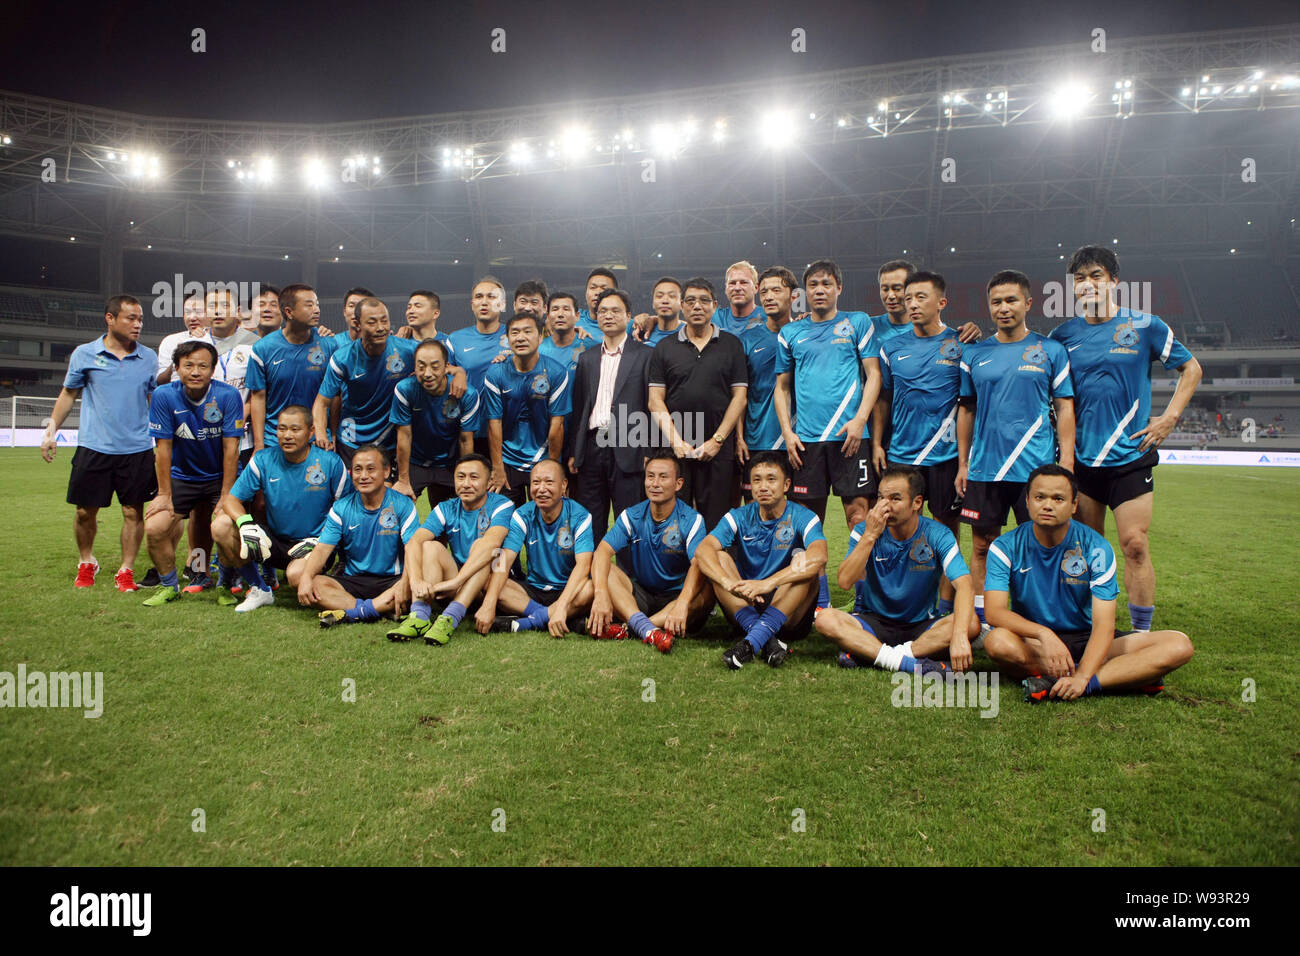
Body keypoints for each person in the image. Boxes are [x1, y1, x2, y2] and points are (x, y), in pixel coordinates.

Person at [1050, 245, 1203, 631]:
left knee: (1135, 544)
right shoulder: (1062, 335)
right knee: (1085, 551)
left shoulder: (1146, 325)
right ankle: (1087, 627)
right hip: (1082, 459)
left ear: (1114, 281)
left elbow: (1192, 369)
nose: (1088, 284)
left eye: (1096, 275)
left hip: (1131, 455)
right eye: (1080, 279)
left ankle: (1140, 634)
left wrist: (1170, 417)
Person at [983, 465, 1194, 701]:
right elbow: (995, 612)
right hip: (1036, 642)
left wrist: (1083, 676)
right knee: (998, 642)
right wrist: (1044, 634)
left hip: (1088, 638)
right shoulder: (1005, 546)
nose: (1048, 505)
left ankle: (1073, 682)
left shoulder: (1096, 548)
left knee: (1178, 645)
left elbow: (1104, 625)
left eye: (1058, 498)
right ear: (1028, 502)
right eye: (1039, 497)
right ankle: (1125, 675)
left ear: (1074, 505)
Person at [957, 270, 1075, 624]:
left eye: (1011, 300)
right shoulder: (974, 354)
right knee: (982, 546)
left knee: (1041, 547)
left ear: (1027, 303)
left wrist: (1066, 460)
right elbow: (966, 408)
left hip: (1034, 470)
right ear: (989, 306)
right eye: (996, 302)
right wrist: (963, 464)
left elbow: (1065, 405)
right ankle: (980, 623)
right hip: (985, 468)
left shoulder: (1050, 350)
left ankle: (1039, 620)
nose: (1004, 308)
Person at [814, 465, 978, 674]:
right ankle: (911, 664)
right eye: (881, 497)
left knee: (971, 624)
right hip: (874, 622)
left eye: (895, 499)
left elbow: (964, 585)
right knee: (825, 619)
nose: (885, 505)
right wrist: (871, 536)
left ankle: (873, 654)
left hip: (921, 626)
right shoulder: (865, 530)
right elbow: (845, 582)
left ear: (917, 503)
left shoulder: (938, 534)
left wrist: (960, 637)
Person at [42, 295, 157, 591]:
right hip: (94, 446)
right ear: (110, 318)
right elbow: (69, 394)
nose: (137, 324)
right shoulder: (84, 354)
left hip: (137, 448)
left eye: (140, 319)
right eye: (131, 318)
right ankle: (86, 561)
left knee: (133, 512)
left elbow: (153, 399)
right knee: (84, 511)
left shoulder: (148, 357)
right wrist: (51, 430)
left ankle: (126, 570)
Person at [871, 270, 964, 613]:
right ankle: (893, 600)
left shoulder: (961, 344)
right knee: (894, 529)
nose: (911, 304)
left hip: (945, 455)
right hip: (901, 455)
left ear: (941, 302)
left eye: (920, 297)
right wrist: (878, 443)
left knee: (946, 532)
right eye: (908, 298)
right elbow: (883, 399)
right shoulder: (891, 347)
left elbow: (970, 403)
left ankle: (944, 606)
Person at [774, 259, 881, 531]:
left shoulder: (857, 321)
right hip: (807, 440)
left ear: (839, 288)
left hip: (850, 436)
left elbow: (874, 375)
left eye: (826, 284)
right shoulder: (790, 332)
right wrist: (787, 433)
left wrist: (860, 421)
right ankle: (814, 576)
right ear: (804, 293)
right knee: (808, 521)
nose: (819, 290)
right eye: (813, 285)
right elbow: (782, 387)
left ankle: (861, 576)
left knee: (859, 517)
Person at [694, 453, 828, 670]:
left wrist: (769, 583)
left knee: (806, 565)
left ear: (786, 485)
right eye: (757, 480)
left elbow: (820, 555)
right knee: (717, 557)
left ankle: (750, 642)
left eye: (771, 479)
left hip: (788, 611)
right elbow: (703, 550)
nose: (763, 486)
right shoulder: (738, 516)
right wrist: (726, 583)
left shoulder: (804, 516)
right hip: (748, 602)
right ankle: (766, 639)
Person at [211, 405, 349, 612]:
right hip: (274, 542)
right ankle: (260, 589)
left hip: (315, 544)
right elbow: (231, 500)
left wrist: (323, 542)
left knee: (296, 576)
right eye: (282, 429)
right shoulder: (263, 459)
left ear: (311, 432)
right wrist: (245, 524)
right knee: (221, 525)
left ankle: (322, 579)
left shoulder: (331, 463)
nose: (287, 435)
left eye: (295, 429)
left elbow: (347, 511)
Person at [140, 341, 243, 606]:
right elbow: (162, 449)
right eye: (188, 365)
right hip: (182, 477)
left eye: (202, 366)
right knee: (154, 526)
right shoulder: (164, 395)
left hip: (219, 477)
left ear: (212, 370)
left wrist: (225, 495)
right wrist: (163, 494)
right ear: (177, 368)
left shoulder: (229, 396)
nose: (195, 371)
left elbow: (231, 449)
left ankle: (226, 582)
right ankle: (171, 584)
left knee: (223, 527)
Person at [647, 276, 748, 531]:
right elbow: (655, 400)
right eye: (690, 301)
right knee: (674, 522)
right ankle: (677, 572)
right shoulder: (664, 347)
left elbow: (740, 398)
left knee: (717, 521)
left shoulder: (732, 345)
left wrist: (717, 441)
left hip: (718, 449)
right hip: (675, 450)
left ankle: (714, 571)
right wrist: (676, 441)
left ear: (715, 305)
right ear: (682, 305)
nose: (697, 306)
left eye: (704, 301)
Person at [587, 454, 712, 652]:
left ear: (678, 484)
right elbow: (602, 551)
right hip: (642, 596)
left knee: (707, 589)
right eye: (650, 476)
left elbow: (698, 563)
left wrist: (682, 604)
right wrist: (601, 594)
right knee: (605, 568)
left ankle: (633, 628)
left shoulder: (692, 519)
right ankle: (648, 629)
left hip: (676, 599)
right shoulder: (632, 515)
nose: (655, 483)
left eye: (663, 477)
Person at [386, 454, 515, 644]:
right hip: (457, 584)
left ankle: (450, 618)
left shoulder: (502, 504)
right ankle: (419, 617)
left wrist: (456, 581)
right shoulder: (446, 507)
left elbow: (493, 543)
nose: (466, 483)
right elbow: (414, 542)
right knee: (430, 546)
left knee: (486, 548)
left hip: (491, 583)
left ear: (488, 481)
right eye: (460, 477)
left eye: (474, 477)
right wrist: (415, 581)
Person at [296, 444, 418, 627]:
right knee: (314, 583)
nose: (363, 476)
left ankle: (355, 611)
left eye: (371, 469)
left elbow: (413, 550)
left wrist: (405, 583)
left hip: (392, 580)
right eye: (358, 470)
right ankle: (376, 609)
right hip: (354, 581)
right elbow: (322, 549)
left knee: (415, 585)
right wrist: (305, 578)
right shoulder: (341, 508)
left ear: (386, 471)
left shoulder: (403, 505)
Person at [566, 288, 651, 545]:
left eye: (615, 311)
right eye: (603, 311)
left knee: (629, 520)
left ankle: (628, 581)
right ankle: (591, 577)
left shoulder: (646, 355)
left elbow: (652, 406)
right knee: (591, 520)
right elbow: (580, 407)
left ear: (628, 315)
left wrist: (649, 450)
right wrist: (576, 451)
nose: (608, 316)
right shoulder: (587, 358)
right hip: (593, 446)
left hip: (630, 444)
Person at [476, 460, 595, 637]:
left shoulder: (580, 516)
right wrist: (488, 604)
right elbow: (505, 559)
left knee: (591, 588)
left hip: (568, 590)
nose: (541, 489)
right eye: (536, 482)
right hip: (533, 590)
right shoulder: (522, 514)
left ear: (563, 486)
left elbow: (583, 566)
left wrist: (562, 605)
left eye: (549, 482)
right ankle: (560, 617)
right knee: (488, 578)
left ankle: (532, 621)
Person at [313, 297, 417, 468]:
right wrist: (321, 434)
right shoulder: (343, 358)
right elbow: (322, 402)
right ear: (358, 324)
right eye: (372, 322)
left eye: (384, 320)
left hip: (389, 439)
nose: (381, 328)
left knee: (387, 492)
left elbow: (440, 367)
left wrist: (456, 373)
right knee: (352, 493)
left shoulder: (408, 350)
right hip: (351, 439)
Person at [483, 311, 571, 505]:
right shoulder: (495, 373)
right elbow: (493, 423)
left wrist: (552, 469)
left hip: (542, 457)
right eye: (515, 332)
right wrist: (497, 468)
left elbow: (557, 426)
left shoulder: (557, 373)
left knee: (544, 522)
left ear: (540, 337)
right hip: (507, 461)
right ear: (507, 339)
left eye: (527, 331)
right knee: (505, 525)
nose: (520, 337)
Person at [247, 284, 338, 450]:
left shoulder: (330, 345)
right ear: (289, 312)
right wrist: (259, 445)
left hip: (317, 439)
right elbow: (258, 398)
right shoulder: (263, 349)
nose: (316, 310)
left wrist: (332, 435)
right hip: (275, 440)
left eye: (317, 304)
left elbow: (334, 397)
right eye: (309, 305)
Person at [390, 339, 479, 507]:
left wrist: (465, 476)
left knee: (453, 521)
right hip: (415, 462)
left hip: (449, 464)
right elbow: (404, 436)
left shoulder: (468, 394)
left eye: (435, 367)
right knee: (396, 510)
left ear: (446, 367)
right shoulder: (405, 389)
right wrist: (403, 480)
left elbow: (465, 440)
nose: (427, 373)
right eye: (421, 367)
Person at [737, 265, 796, 475]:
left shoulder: (803, 335)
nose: (769, 297)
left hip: (798, 439)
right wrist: (739, 437)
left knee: (800, 505)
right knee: (755, 504)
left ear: (794, 296)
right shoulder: (747, 340)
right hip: (757, 438)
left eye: (776, 290)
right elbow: (739, 394)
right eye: (764, 292)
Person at [447, 276, 514, 452]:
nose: (484, 302)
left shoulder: (516, 337)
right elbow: (443, 372)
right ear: (472, 304)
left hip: (507, 432)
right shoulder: (455, 339)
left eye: (491, 297)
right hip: (467, 431)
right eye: (479, 297)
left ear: (502, 304)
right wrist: (458, 371)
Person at [156, 293, 211, 385]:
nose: (192, 318)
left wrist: (205, 338)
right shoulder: (170, 341)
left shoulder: (219, 340)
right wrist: (178, 357)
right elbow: (160, 381)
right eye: (187, 312)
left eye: (198, 312)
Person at [713, 260, 766, 334]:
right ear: (726, 289)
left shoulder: (769, 319)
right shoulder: (715, 318)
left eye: (744, 282)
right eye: (732, 283)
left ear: (756, 288)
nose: (737, 288)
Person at [575, 267, 618, 339]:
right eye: (593, 287)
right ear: (586, 293)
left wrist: (643, 320)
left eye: (604, 288)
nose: (597, 293)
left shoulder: (627, 325)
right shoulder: (573, 318)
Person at [643, 276, 684, 345]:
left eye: (672, 296)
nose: (665, 301)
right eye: (659, 296)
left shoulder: (690, 333)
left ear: (682, 304)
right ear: (653, 303)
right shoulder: (640, 331)